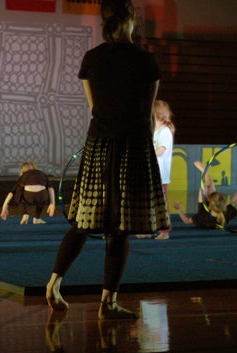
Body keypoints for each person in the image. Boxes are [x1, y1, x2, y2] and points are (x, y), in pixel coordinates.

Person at [45, 0, 169, 320]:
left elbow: (93, 108)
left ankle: (54, 283)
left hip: (99, 144)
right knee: (121, 226)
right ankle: (108, 302)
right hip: (133, 147)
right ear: (130, 20)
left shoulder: (92, 58)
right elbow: (148, 116)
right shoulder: (145, 60)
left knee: (84, 221)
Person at [137, 100, 175, 240]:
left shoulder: (165, 132)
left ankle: (164, 231)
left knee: (160, 204)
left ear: (157, 115)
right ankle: (148, 229)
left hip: (160, 175)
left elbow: (161, 150)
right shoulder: (152, 131)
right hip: (149, 173)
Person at [173, 161, 237, 229]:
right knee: (209, 188)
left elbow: (187, 221)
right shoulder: (226, 213)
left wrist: (179, 209)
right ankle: (205, 172)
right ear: (223, 206)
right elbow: (234, 201)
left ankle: (205, 172)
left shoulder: (201, 216)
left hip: (203, 209)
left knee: (207, 187)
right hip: (210, 210)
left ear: (208, 201)